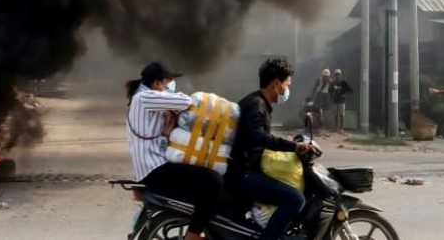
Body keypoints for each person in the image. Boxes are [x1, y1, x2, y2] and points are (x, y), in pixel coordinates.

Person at [126, 61, 222, 240]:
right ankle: (193, 234)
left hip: (156, 164)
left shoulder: (144, 96)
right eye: (168, 82)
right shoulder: (145, 97)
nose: (171, 86)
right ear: (157, 83)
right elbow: (187, 101)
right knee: (213, 180)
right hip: (155, 168)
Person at [226, 58, 317, 240]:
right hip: (243, 174)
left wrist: (291, 143)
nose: (287, 90)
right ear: (276, 83)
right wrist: (293, 146)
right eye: (287, 84)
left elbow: (260, 136)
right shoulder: (256, 105)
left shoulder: (258, 103)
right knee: (295, 199)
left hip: (246, 170)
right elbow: (257, 137)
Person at [328, 69, 354, 134]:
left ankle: (341, 128)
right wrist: (332, 96)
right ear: (334, 75)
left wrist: (345, 94)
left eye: (338, 74)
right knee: (335, 115)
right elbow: (330, 91)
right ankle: (335, 128)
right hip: (335, 100)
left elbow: (350, 90)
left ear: (340, 75)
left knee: (341, 115)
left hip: (341, 101)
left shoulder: (343, 82)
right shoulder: (332, 83)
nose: (337, 75)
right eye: (336, 74)